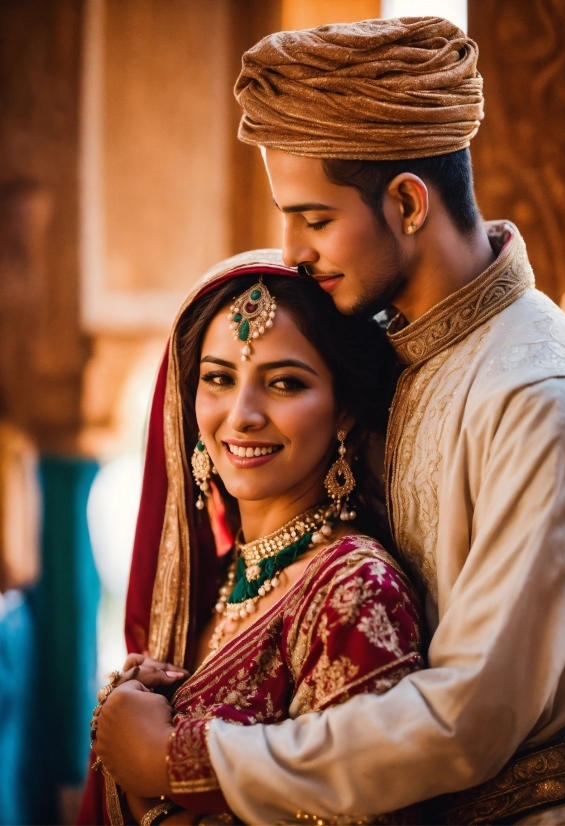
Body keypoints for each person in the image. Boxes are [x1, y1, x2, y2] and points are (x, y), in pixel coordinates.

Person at [85, 17, 565, 826]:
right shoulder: (400, 353)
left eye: (313, 219)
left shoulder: (539, 396)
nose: (293, 253)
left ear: (406, 202)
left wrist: (187, 758)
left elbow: (470, 721)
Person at [80, 252, 425, 825]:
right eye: (218, 378)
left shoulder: (355, 591)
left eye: (285, 383)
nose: (241, 415)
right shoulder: (220, 580)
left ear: (343, 411)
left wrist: (154, 779)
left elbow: (366, 807)